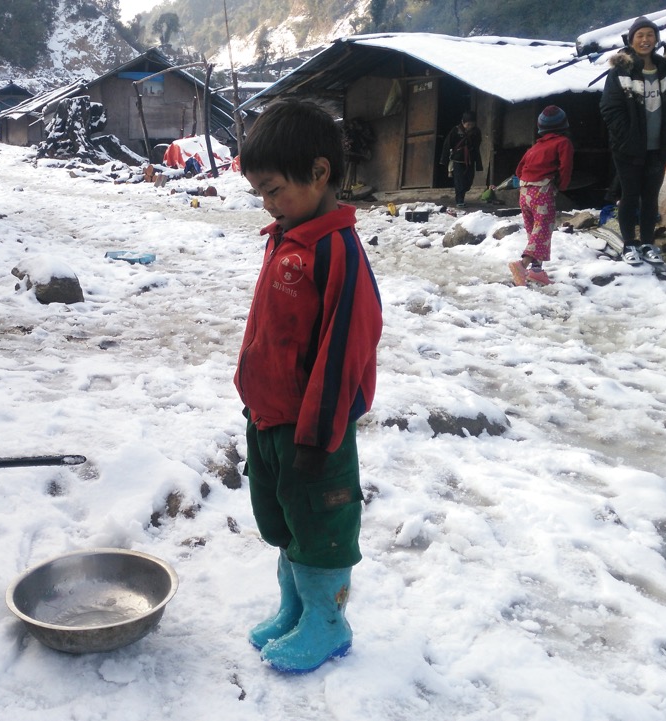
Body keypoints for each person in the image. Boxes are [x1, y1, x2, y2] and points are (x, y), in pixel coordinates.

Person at [234, 99, 384, 674]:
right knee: (284, 521)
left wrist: (316, 434)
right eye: (261, 194)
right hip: (270, 419)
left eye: (273, 191)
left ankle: (327, 622)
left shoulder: (335, 251)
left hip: (313, 432)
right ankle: (294, 607)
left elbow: (346, 347)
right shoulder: (286, 238)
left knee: (321, 529)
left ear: (320, 173)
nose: (267, 204)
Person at [599, 15, 666, 264]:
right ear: (631, 40)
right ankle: (629, 244)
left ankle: (648, 243)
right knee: (629, 195)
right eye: (640, 36)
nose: (645, 40)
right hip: (628, 148)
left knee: (651, 197)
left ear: (656, 39)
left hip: (659, 147)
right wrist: (625, 138)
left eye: (650, 35)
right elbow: (609, 108)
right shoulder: (621, 71)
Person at [509, 105, 575, 286]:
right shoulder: (563, 143)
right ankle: (522, 265)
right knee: (543, 231)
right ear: (563, 124)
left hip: (524, 192)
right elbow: (565, 167)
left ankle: (536, 271)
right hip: (541, 192)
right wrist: (562, 185)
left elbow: (519, 169)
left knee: (534, 232)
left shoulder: (535, 147)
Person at [441, 111, 483, 207]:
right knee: (459, 181)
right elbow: (447, 144)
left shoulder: (476, 132)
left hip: (470, 159)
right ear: (463, 122)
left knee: (469, 181)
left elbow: (477, 145)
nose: (470, 126)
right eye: (468, 124)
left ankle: (463, 192)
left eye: (472, 124)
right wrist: (444, 159)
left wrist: (477, 160)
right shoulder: (455, 130)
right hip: (458, 159)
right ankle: (460, 200)